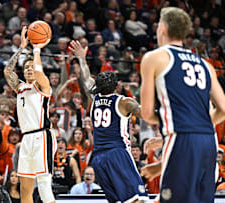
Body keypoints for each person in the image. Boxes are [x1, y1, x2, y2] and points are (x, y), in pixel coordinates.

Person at [140, 7, 225, 203]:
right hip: (207, 142)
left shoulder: (154, 58)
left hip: (181, 138)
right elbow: (223, 109)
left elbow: (146, 113)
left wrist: (176, 123)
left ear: (162, 28)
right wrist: (197, 122)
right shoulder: (206, 65)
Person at [4, 26, 56, 203]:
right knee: (25, 189)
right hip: (26, 138)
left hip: (42, 135)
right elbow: (7, 72)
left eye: (31, 67)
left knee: (44, 186)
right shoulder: (20, 87)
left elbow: (39, 71)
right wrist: (21, 47)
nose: (29, 70)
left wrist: (36, 49)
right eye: (26, 68)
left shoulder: (42, 86)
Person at [89, 71, 147, 202]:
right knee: (137, 198)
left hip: (98, 159)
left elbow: (86, 79)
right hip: (117, 154)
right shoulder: (123, 102)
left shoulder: (93, 100)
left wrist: (82, 59)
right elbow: (146, 114)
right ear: (117, 85)